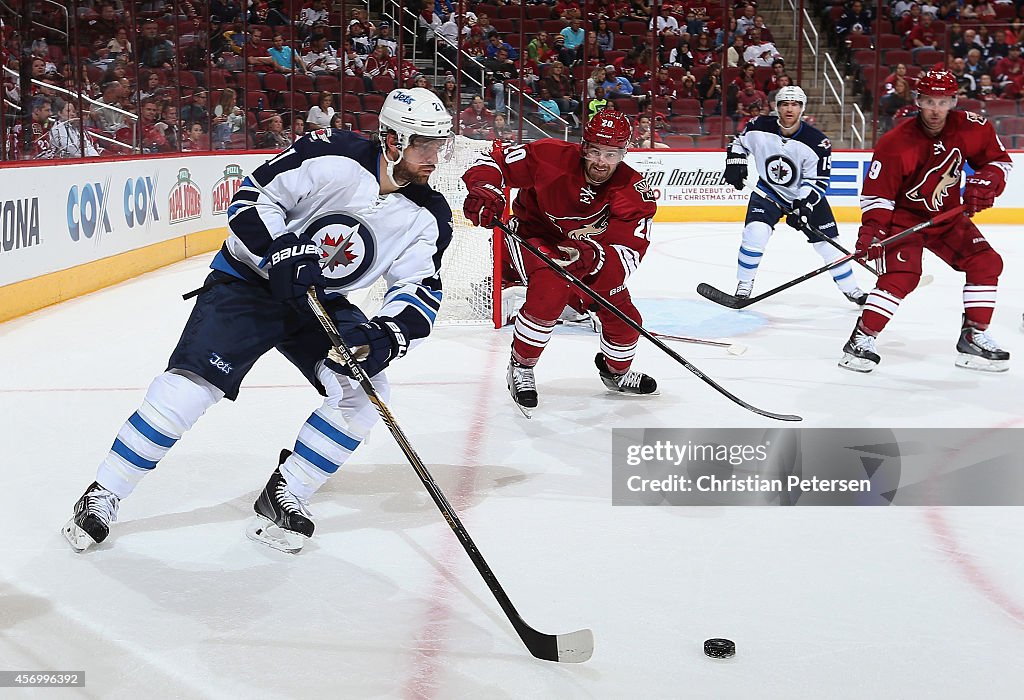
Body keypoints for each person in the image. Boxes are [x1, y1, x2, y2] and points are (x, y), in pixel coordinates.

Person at [62, 88, 456, 554]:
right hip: (249, 282)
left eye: (439, 143)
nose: (434, 155)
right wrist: (279, 250)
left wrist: (387, 332)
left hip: (320, 301)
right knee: (189, 388)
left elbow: (419, 287)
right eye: (423, 143)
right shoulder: (331, 154)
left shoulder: (429, 214)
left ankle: (287, 491)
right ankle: (104, 492)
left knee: (364, 392)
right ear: (392, 139)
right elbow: (250, 199)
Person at [460, 111, 659, 415]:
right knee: (550, 291)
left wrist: (591, 257)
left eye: (611, 153)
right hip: (534, 237)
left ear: (624, 152)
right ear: (583, 146)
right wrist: (485, 188)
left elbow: (628, 252)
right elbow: (495, 161)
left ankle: (615, 373)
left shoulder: (633, 191)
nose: (601, 161)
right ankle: (522, 365)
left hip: (591, 258)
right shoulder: (549, 156)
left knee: (626, 319)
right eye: (595, 151)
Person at [840, 70, 1013, 373]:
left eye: (943, 102)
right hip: (905, 220)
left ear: (953, 101)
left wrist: (987, 181)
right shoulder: (896, 143)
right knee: (902, 277)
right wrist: (873, 233)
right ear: (918, 100)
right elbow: (878, 195)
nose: (936, 109)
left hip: (947, 217)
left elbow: (999, 162)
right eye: (929, 101)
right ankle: (861, 340)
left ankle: (974, 336)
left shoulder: (973, 127)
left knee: (986, 263)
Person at [723, 84, 867, 304]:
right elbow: (739, 143)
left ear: (802, 108)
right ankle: (743, 286)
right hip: (767, 191)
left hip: (804, 196)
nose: (789, 109)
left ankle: (852, 290)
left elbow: (817, 181)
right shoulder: (758, 126)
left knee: (829, 246)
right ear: (776, 107)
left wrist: (803, 205)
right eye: (784, 104)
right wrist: (735, 161)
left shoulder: (817, 142)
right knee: (754, 234)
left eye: (795, 104)